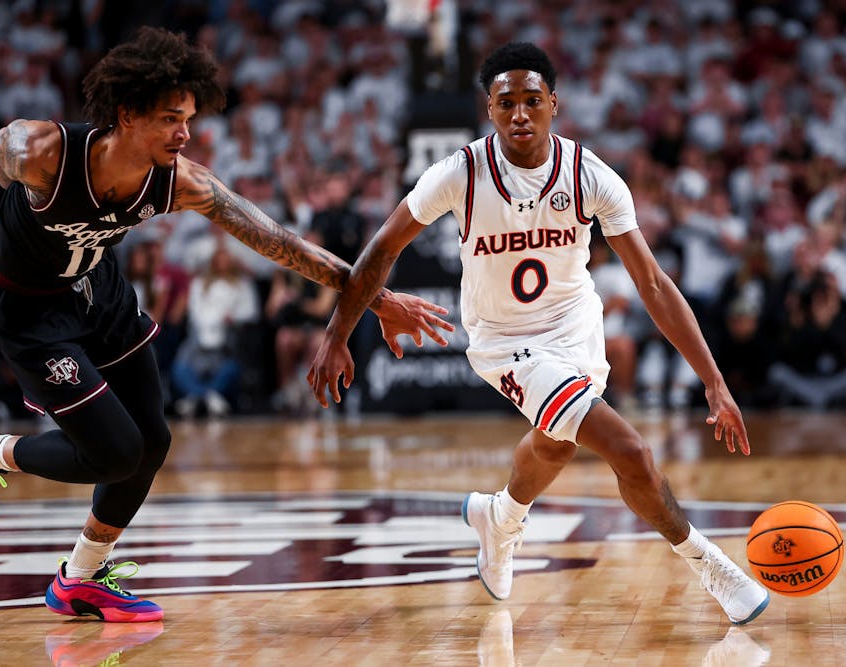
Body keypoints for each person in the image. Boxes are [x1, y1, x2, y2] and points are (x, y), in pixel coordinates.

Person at [0, 27, 452, 623]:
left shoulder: (180, 180)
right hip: (28, 308)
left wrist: (377, 300)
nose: (186, 133)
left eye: (189, 119)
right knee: (115, 453)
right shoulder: (45, 154)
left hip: (99, 290)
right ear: (127, 114)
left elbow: (280, 242)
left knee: (153, 442)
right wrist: (12, 226)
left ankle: (81, 580)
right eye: (171, 119)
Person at [309, 42, 769, 624]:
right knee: (630, 450)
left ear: (554, 103)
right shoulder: (460, 174)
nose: (520, 113)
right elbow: (380, 250)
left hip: (576, 326)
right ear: (490, 110)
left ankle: (499, 518)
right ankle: (716, 571)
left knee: (556, 443)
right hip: (505, 343)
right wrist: (337, 332)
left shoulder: (591, 175)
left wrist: (714, 381)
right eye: (506, 103)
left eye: (532, 100)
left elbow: (652, 284)